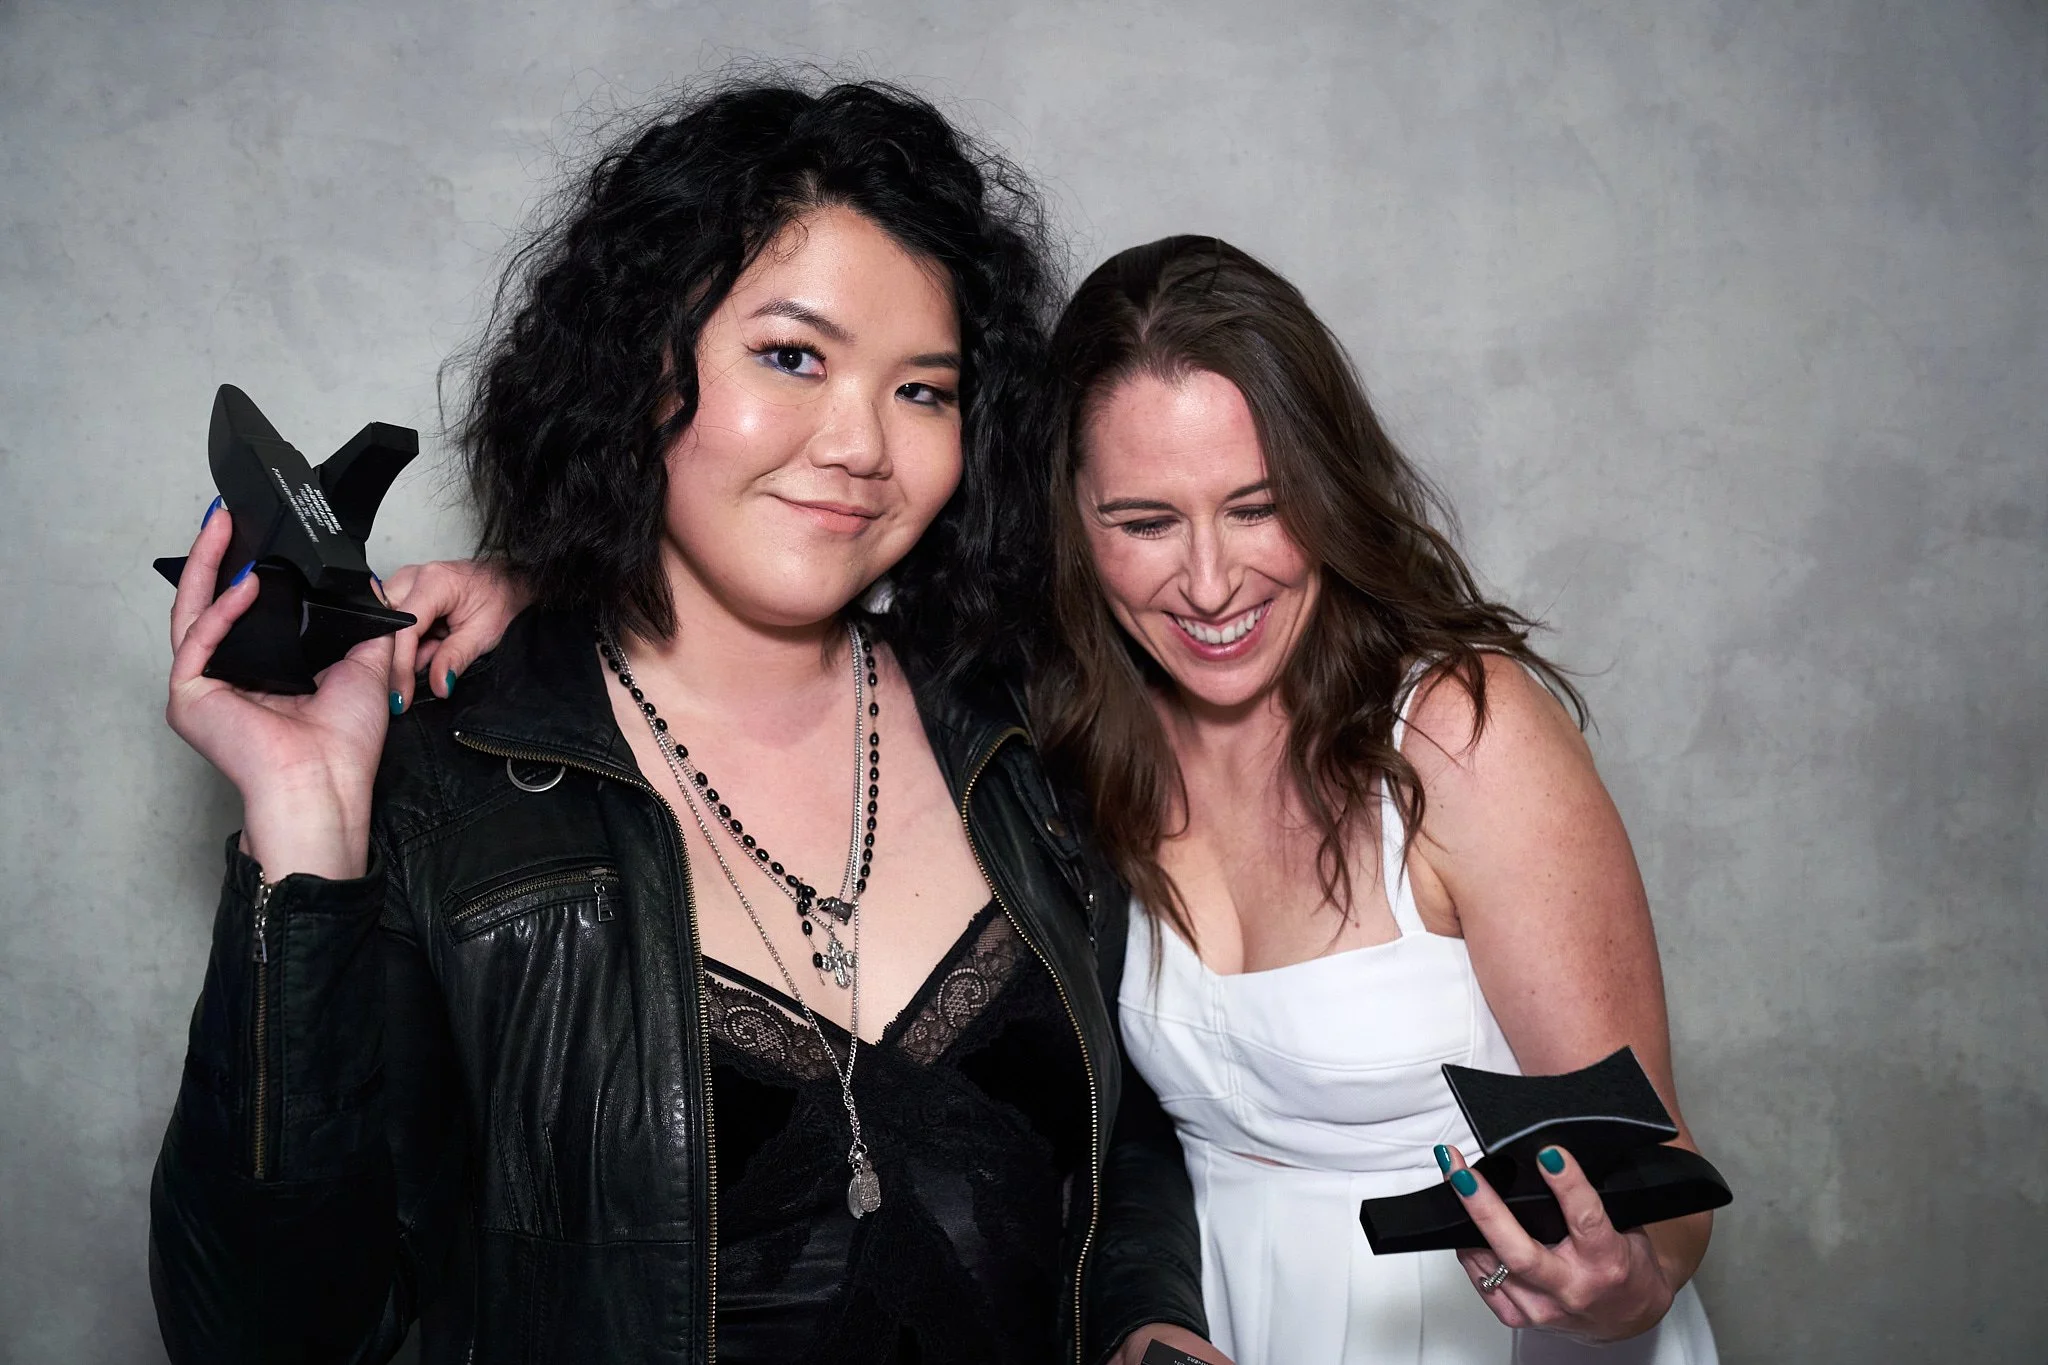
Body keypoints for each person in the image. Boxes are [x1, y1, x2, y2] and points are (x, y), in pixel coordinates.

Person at [397, 237, 1722, 1362]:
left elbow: (1653, 1177)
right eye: (1145, 520)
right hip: (1222, 1324)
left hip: (1487, 1333)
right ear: (1067, 523)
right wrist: (543, 594)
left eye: (1257, 508)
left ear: (1332, 494)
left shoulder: (1458, 729)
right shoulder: (1056, 731)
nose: (1209, 584)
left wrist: (1633, 1281)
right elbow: (777, 570)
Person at [148, 80, 1218, 1365]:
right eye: (790, 358)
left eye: (922, 390)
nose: (862, 444)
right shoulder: (445, 790)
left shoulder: (1027, 736)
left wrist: (1147, 1319)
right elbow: (268, 1336)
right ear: (638, 366)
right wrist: (305, 843)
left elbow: (1126, 1133)